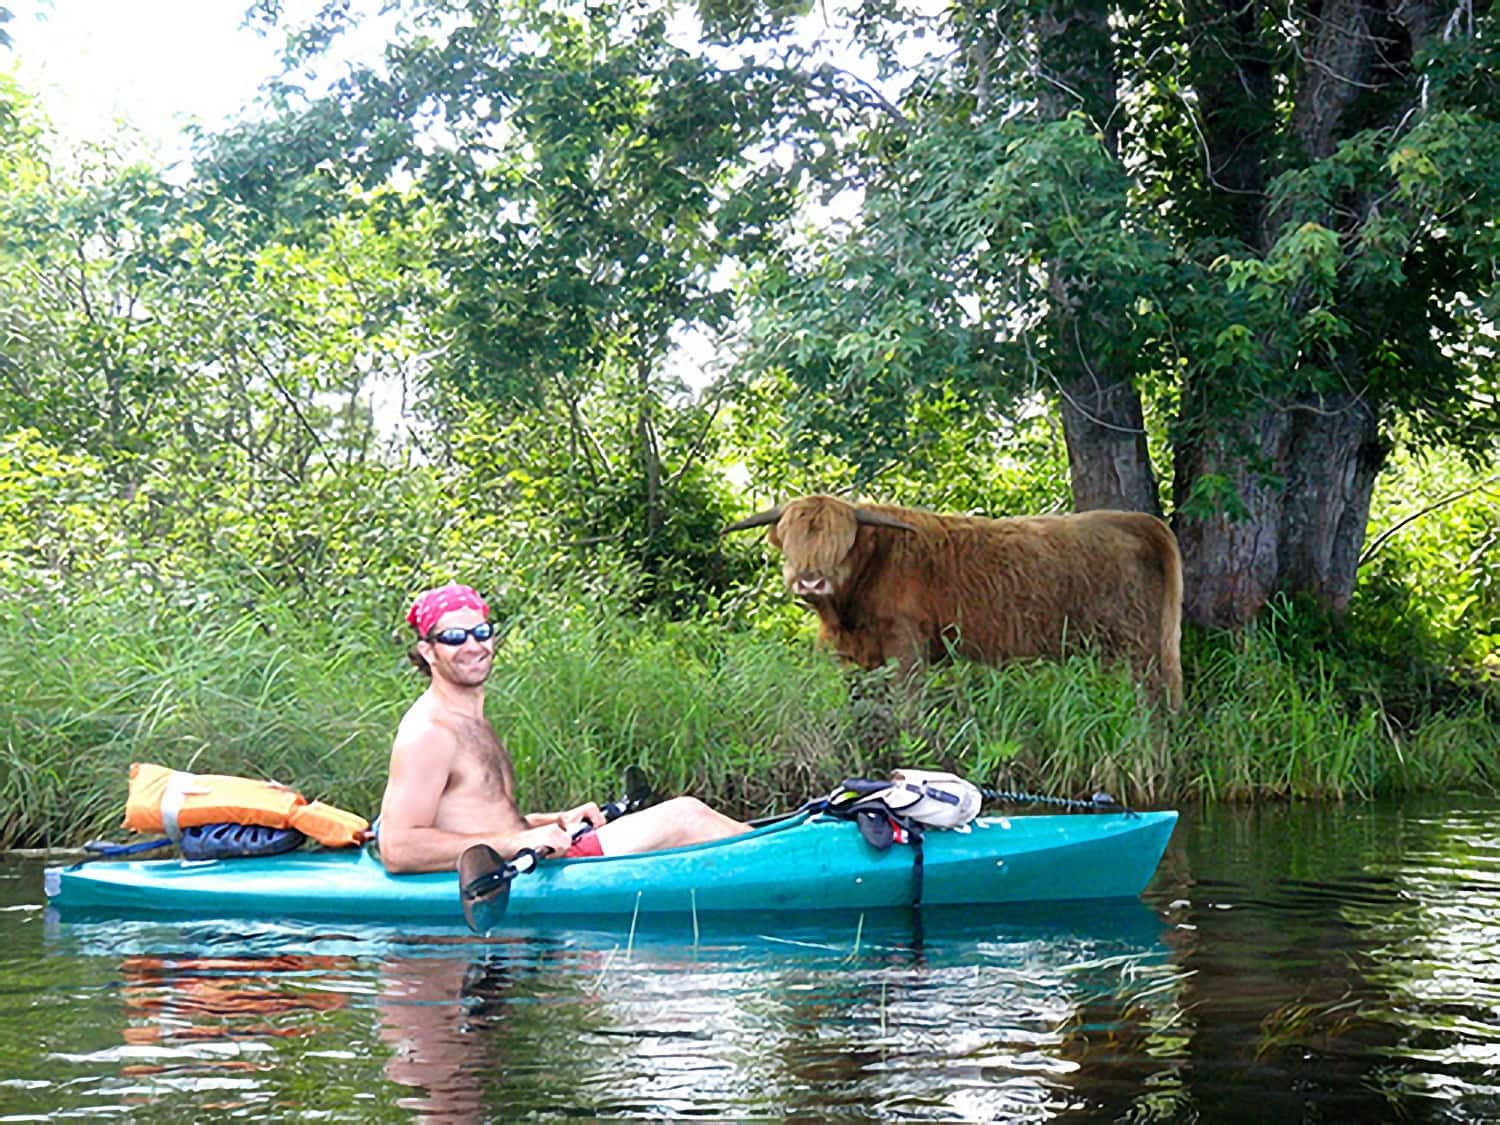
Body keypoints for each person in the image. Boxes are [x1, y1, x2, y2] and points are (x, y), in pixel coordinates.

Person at [377, 583, 749, 874]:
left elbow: (478, 817)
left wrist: (553, 821)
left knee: (691, 822)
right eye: (455, 637)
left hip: (536, 854)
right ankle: (793, 858)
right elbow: (399, 848)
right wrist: (519, 842)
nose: (473, 645)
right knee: (686, 816)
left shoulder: (470, 720)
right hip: (515, 870)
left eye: (481, 632)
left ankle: (785, 846)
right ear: (428, 652)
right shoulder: (429, 732)